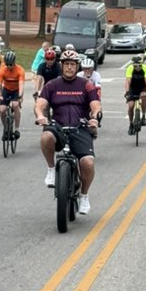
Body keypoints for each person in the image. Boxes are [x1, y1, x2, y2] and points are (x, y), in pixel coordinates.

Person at [35, 50, 100, 214]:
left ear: (76, 66)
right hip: (58, 125)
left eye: (72, 64)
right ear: (61, 66)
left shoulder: (86, 84)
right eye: (66, 64)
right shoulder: (52, 85)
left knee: (88, 163)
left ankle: (84, 196)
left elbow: (95, 104)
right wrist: (41, 115)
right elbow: (40, 104)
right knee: (45, 137)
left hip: (80, 127)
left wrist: (94, 117)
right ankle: (51, 170)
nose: (69, 67)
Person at [0, 49, 25, 139]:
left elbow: (21, 85)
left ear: (14, 62)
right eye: (7, 64)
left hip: (16, 91)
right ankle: (6, 128)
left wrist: (20, 96)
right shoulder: (3, 70)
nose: (9, 66)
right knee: (2, 109)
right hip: (7, 90)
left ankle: (17, 129)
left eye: (11, 64)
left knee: (15, 105)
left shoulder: (20, 70)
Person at [124, 55, 146, 133]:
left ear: (142, 64)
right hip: (133, 88)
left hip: (142, 87)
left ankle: (143, 116)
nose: (137, 67)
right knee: (131, 105)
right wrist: (127, 92)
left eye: (139, 66)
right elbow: (127, 81)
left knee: (143, 97)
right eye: (135, 66)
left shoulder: (145, 68)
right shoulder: (130, 68)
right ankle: (131, 123)